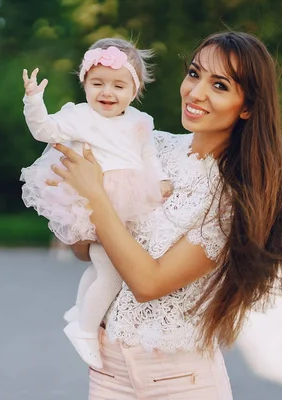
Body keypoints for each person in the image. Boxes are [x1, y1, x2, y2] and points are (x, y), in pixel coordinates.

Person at [48, 31, 282, 399]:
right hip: (108, 373)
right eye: (194, 74)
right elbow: (84, 250)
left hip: (180, 384)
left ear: (247, 106)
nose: (196, 92)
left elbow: (149, 284)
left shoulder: (235, 195)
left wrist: (96, 195)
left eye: (219, 85)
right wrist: (77, 204)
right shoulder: (149, 145)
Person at [19, 38, 173, 369]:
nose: (107, 92)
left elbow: (148, 156)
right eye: (97, 83)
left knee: (103, 265)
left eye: (119, 85)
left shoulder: (140, 121)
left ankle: (80, 311)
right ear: (84, 84)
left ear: (134, 91)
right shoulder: (79, 116)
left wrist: (159, 181)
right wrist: (33, 101)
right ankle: (85, 330)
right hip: (92, 198)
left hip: (129, 199)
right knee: (113, 272)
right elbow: (44, 130)